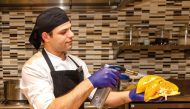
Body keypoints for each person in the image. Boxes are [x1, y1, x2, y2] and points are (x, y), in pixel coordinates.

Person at [21, 7, 163, 109]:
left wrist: (132, 95)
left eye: (70, 29)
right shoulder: (33, 67)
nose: (71, 35)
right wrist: (90, 82)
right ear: (46, 37)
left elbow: (100, 100)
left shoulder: (77, 63)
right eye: (63, 32)